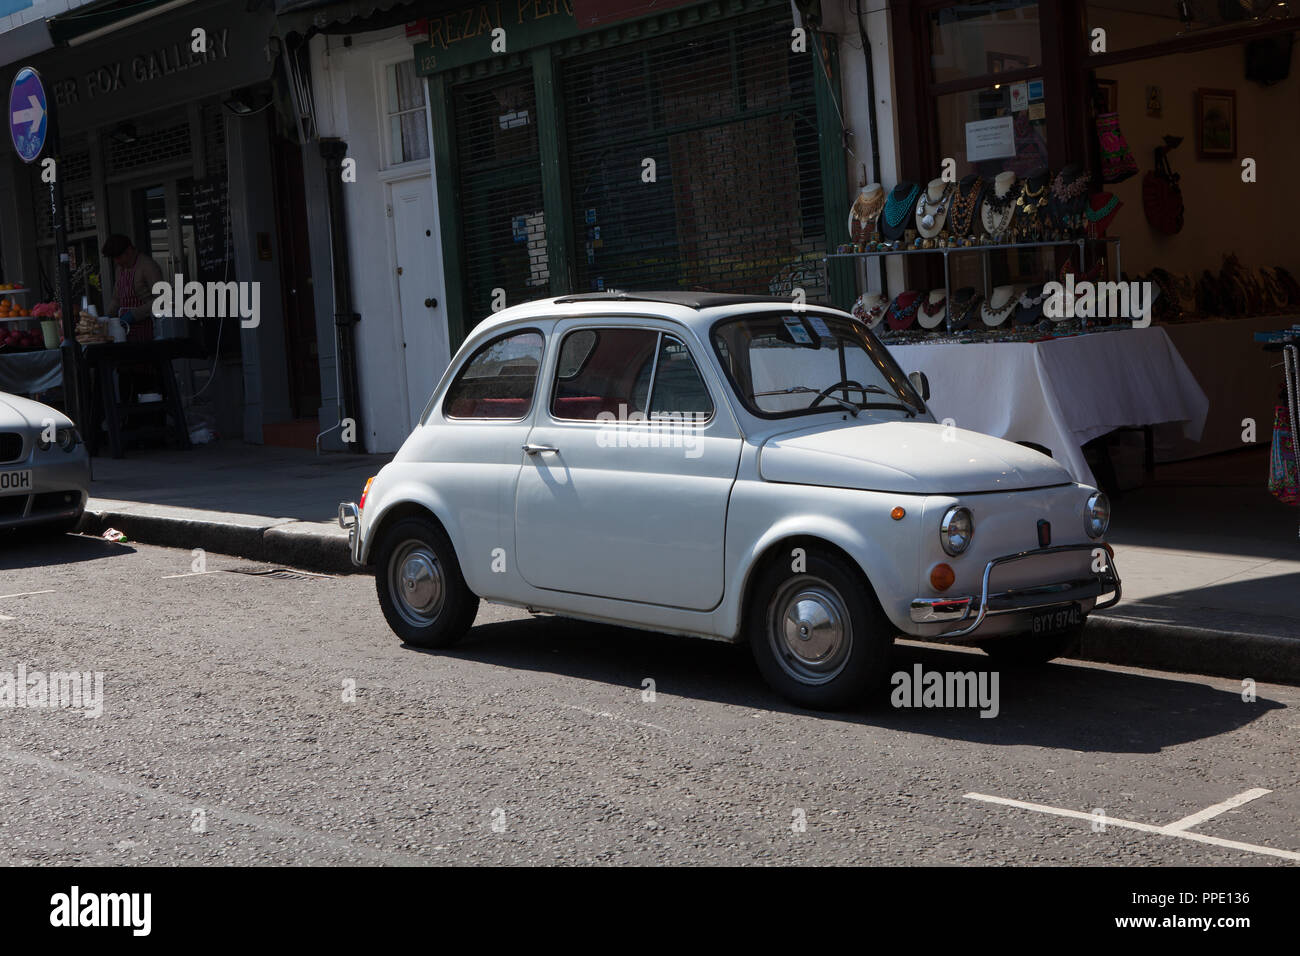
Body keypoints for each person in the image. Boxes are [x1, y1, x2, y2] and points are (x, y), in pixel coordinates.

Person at [101, 234, 164, 342]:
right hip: (125, 331)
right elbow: (116, 299)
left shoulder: (148, 266)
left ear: (129, 250)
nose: (116, 261)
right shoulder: (120, 269)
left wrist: (133, 315)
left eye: (118, 257)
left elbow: (162, 300)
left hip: (147, 330)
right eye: (114, 258)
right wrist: (106, 319)